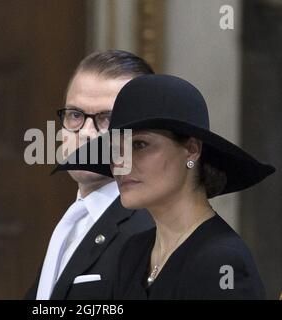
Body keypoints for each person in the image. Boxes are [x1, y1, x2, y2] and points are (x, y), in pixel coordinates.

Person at [55, 74, 275, 299]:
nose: (121, 162)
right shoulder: (134, 252)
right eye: (115, 149)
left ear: (191, 149)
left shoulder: (222, 260)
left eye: (140, 145)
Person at [25, 50, 155, 300]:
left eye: (106, 119)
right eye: (75, 115)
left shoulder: (149, 228)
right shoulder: (72, 221)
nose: (86, 132)